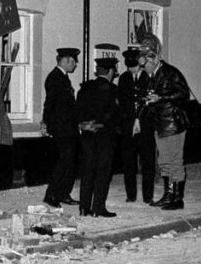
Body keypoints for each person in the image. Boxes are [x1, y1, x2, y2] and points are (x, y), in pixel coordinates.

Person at [139, 33, 190, 210]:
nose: (144, 69)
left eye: (146, 65)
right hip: (160, 124)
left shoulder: (170, 73)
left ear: (154, 59)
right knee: (164, 162)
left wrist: (160, 97)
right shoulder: (151, 75)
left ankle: (177, 198)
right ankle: (168, 195)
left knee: (175, 161)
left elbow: (183, 94)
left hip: (172, 123)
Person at [75, 51, 120, 217]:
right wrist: (100, 123)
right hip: (104, 135)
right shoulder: (113, 90)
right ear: (111, 72)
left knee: (87, 171)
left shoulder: (85, 88)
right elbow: (113, 114)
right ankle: (98, 207)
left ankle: (84, 207)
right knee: (103, 172)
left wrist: (84, 124)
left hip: (87, 134)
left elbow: (77, 109)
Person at [41, 47, 80, 207]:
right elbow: (50, 104)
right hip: (61, 128)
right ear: (65, 61)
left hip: (68, 127)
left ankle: (63, 193)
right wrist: (47, 124)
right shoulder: (55, 78)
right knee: (64, 162)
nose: (75, 65)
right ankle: (51, 195)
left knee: (70, 162)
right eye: (73, 61)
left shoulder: (62, 77)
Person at [117, 46, 156, 203]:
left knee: (147, 161)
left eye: (134, 67)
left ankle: (148, 196)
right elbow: (122, 101)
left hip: (145, 125)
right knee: (128, 162)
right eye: (129, 67)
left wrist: (139, 120)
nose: (132, 70)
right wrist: (130, 121)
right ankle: (130, 195)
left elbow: (148, 102)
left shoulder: (148, 78)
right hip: (128, 126)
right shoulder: (124, 78)